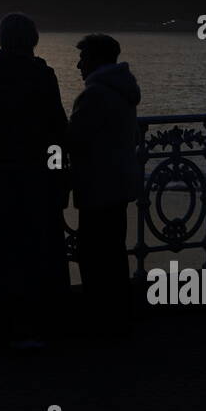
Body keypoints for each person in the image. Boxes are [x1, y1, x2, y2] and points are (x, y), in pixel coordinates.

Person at [0, 12, 69, 348]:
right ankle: (34, 327)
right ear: (32, 41)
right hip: (36, 177)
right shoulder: (43, 76)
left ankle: (3, 326)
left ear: (0, 40)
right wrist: (57, 176)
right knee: (35, 249)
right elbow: (58, 130)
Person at [68, 33, 142, 337]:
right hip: (119, 184)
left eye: (83, 59)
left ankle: (99, 319)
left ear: (96, 60)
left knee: (94, 255)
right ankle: (117, 317)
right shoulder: (123, 91)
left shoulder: (95, 95)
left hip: (97, 185)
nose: (77, 65)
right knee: (113, 253)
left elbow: (74, 139)